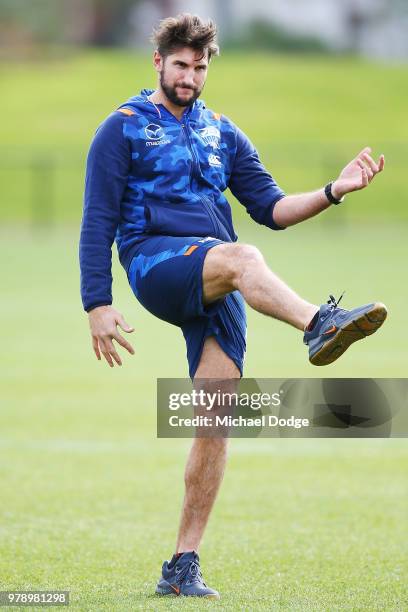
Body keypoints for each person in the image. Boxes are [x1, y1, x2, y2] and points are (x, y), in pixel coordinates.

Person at [79, 13, 387, 600]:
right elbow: (96, 221)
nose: (190, 76)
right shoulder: (119, 129)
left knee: (214, 420)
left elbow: (271, 208)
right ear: (158, 63)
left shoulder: (222, 131)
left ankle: (181, 563)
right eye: (180, 65)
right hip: (156, 262)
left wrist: (331, 191)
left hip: (216, 274)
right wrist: (98, 302)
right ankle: (320, 324)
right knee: (243, 257)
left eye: (199, 67)